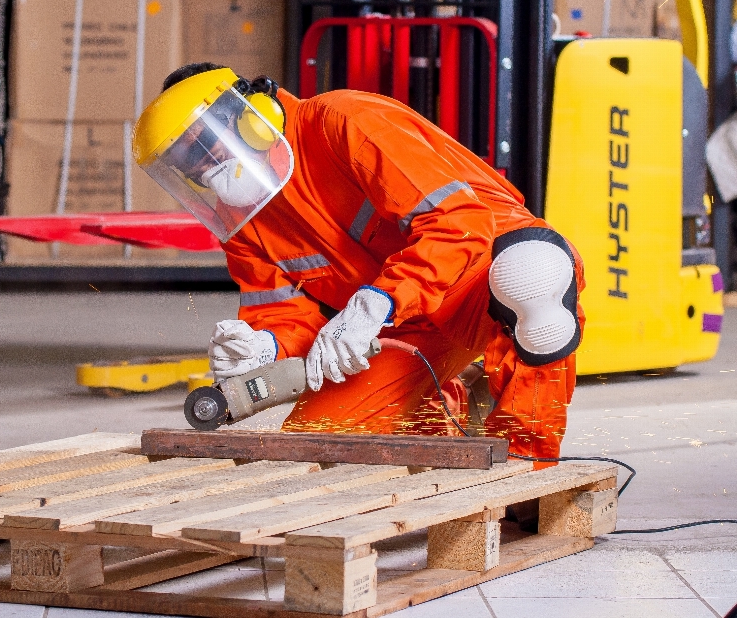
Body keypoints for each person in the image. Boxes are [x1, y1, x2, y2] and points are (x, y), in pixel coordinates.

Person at [133, 63, 585, 465]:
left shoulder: (342, 120)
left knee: (533, 274)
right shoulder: (242, 218)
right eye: (187, 158)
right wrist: (265, 347)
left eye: (207, 141)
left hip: (479, 276)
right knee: (316, 450)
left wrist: (377, 302)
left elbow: (458, 223)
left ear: (254, 117)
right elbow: (286, 314)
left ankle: (527, 465)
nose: (204, 162)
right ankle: (449, 411)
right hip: (394, 328)